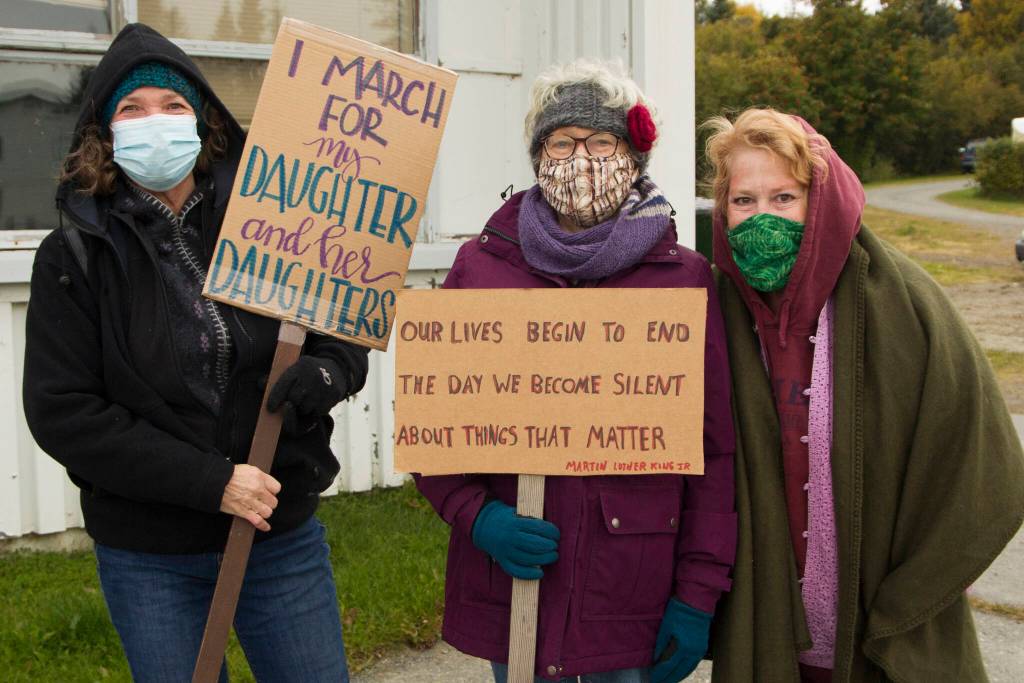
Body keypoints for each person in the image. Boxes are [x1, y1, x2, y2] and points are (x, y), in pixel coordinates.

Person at [23, 23, 369, 682]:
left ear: (204, 121)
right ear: (104, 132)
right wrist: (213, 483)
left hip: (279, 537)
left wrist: (328, 371)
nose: (155, 121)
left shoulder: (278, 224)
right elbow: (64, 412)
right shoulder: (73, 258)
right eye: (132, 108)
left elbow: (339, 326)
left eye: (173, 105)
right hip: (151, 554)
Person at [414, 59, 737, 683]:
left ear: (634, 155)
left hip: (631, 590)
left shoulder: (684, 278)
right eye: (561, 143)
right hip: (516, 584)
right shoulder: (480, 267)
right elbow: (435, 423)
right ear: (538, 155)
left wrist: (700, 589)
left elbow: (713, 450)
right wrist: (475, 514)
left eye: (601, 142)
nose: (579, 159)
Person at [701, 108, 1024, 682]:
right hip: (766, 628)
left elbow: (980, 461)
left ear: (819, 201)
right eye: (743, 201)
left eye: (784, 197)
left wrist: (916, 594)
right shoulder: (717, 310)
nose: (761, 217)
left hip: (885, 631)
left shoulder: (906, 302)